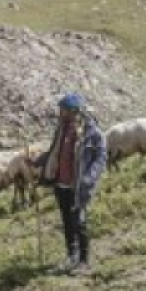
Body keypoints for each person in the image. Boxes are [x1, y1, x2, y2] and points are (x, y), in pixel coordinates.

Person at [41, 91, 107, 274]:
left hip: (78, 186)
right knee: (67, 222)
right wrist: (39, 162)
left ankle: (84, 262)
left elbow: (101, 156)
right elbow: (55, 150)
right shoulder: (61, 128)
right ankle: (72, 257)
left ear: (73, 111)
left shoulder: (90, 131)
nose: (60, 112)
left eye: (62, 109)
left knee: (79, 221)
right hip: (61, 184)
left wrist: (89, 178)